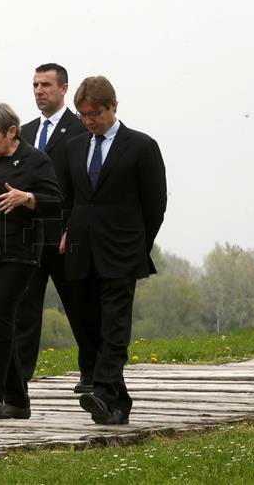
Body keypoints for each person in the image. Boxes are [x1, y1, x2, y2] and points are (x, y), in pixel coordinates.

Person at [58, 76, 167, 425]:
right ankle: (117, 403)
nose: (88, 121)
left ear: (113, 106)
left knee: (115, 324)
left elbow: (155, 204)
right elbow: (69, 197)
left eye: (94, 114)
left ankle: (103, 390)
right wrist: (66, 230)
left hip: (122, 250)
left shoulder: (141, 146)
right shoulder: (74, 147)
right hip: (80, 249)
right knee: (88, 323)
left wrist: (138, 243)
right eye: (82, 114)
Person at [0, 103, 62, 419]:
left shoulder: (35, 161)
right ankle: (18, 401)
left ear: (12, 132)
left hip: (17, 256)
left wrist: (27, 198)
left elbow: (56, 203)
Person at [17, 63, 90, 392]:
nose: (38, 91)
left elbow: (85, 187)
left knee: (79, 306)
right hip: (29, 238)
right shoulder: (25, 132)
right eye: (34, 85)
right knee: (24, 310)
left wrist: (73, 227)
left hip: (65, 236)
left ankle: (92, 373)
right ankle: (17, 380)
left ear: (63, 88)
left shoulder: (80, 130)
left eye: (45, 85)